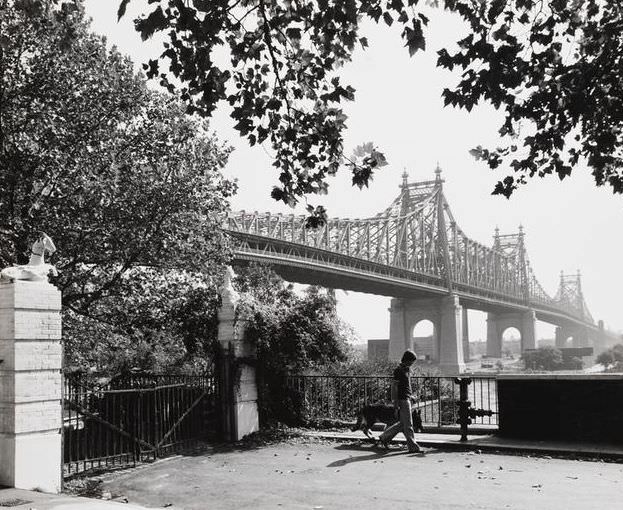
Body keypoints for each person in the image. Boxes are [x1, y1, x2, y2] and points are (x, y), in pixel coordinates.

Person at [377, 349, 421, 453]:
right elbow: (394, 387)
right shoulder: (398, 370)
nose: (412, 363)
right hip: (402, 400)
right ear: (407, 359)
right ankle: (413, 447)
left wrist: (411, 396)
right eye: (412, 361)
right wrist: (395, 402)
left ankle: (384, 437)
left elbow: (406, 386)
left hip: (406, 398)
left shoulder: (406, 370)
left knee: (403, 423)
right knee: (408, 424)